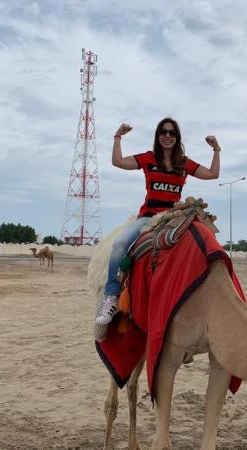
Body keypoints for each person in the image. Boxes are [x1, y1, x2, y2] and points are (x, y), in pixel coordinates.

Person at [96, 117, 222, 325]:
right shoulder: (148, 159)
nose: (167, 136)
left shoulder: (184, 163)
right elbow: (118, 162)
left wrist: (216, 150)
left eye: (172, 133)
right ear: (158, 136)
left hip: (173, 217)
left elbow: (213, 174)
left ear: (177, 137)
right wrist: (118, 136)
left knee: (203, 242)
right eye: (163, 132)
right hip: (148, 217)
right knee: (119, 245)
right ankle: (111, 297)